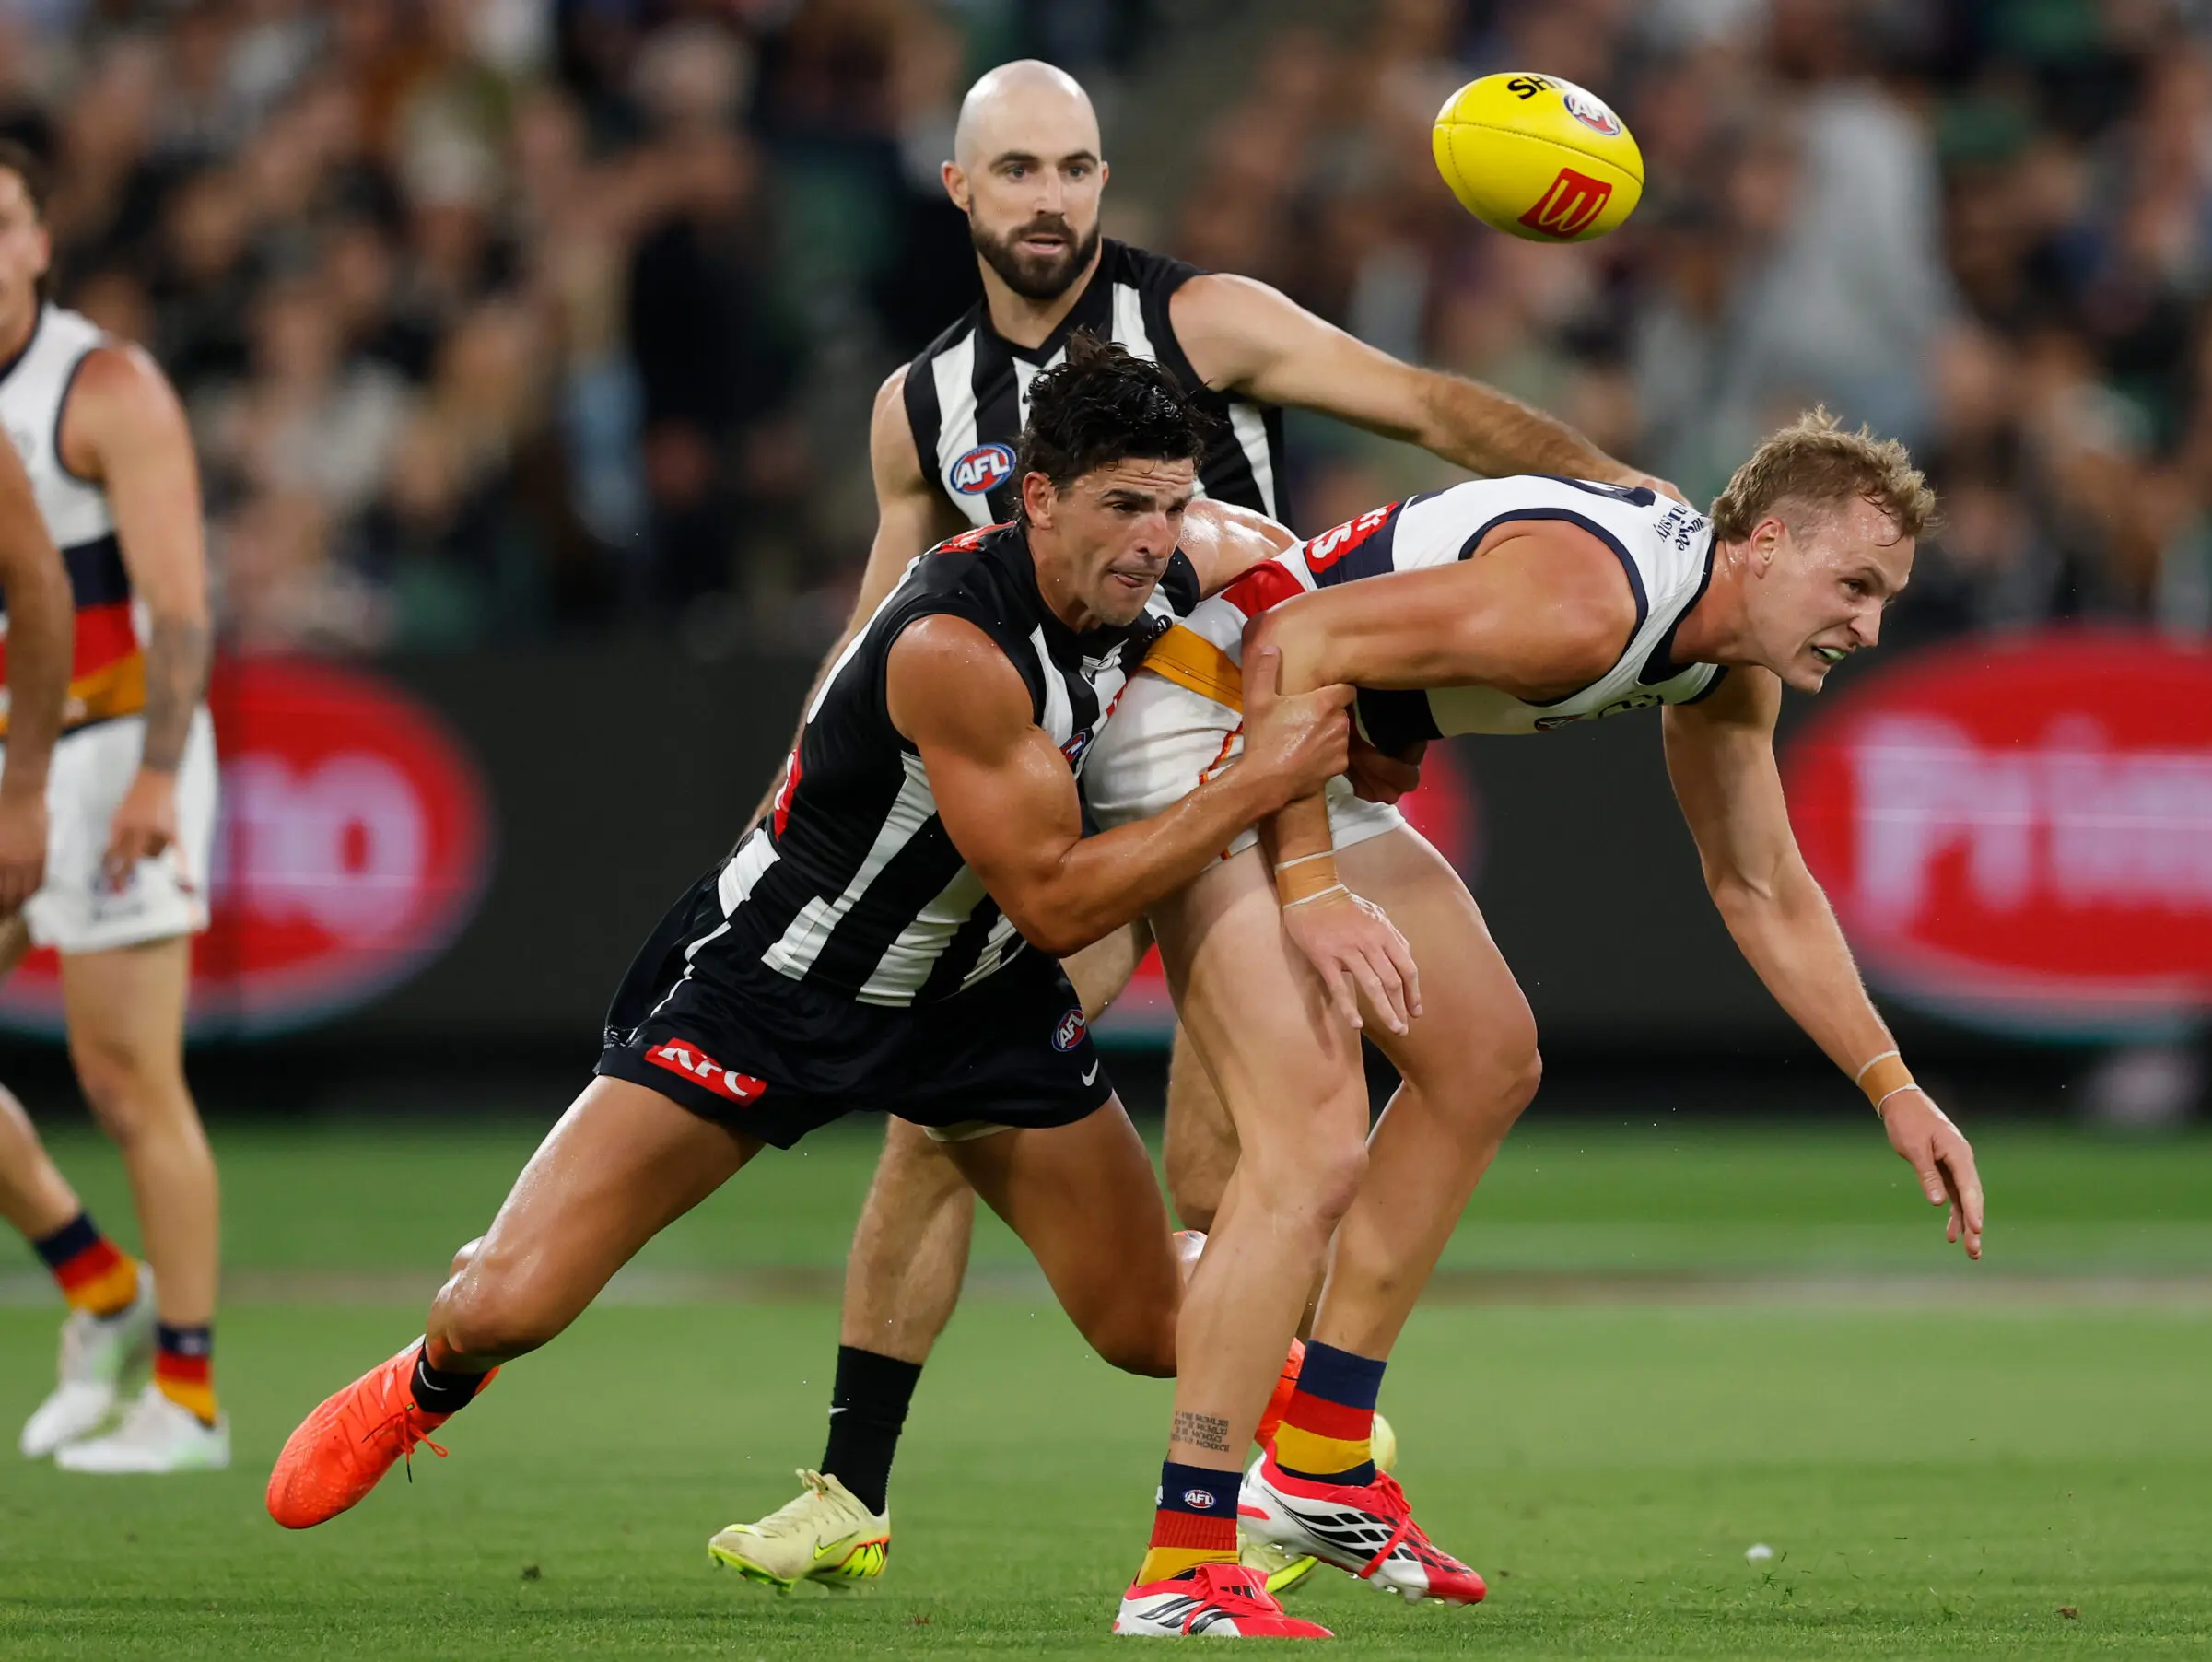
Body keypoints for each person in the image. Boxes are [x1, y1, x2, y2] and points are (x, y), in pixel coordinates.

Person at [708, 56, 1668, 1594]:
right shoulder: (918, 408)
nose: (1051, 198)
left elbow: (1422, 406)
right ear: (961, 190)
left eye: (1077, 169)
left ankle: (1280, 1485)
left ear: (1105, 183)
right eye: (1018, 170)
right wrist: (798, 773)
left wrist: (1624, 493)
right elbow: (884, 619)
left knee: (1242, 1177)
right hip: (1051, 798)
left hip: (1228, 771)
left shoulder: (1200, 318)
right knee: (943, 1112)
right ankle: (854, 1492)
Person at [264, 345, 1359, 1641]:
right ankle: (431, 1379)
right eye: (1125, 506)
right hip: (774, 988)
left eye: (1171, 504)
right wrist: (1249, 784)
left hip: (975, 1002)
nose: (1155, 541)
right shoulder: (954, 644)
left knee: (1151, 1330)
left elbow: (1305, 569)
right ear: (1038, 498)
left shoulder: (1184, 552)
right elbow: (1061, 903)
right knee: (512, 1302)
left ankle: (1325, 1414)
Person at [1074, 410, 1986, 1620]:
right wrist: (1310, 892)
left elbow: (1761, 887)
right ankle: (1183, 1565)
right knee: (1308, 1147)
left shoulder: (1720, 667)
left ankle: (1321, 1463)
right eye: (1854, 583)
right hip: (1199, 720)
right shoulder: (1587, 605)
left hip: (1295, 737)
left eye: (1886, 595)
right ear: (1762, 545)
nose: (1869, 624)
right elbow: (1292, 637)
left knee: (1486, 1059)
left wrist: (1893, 1085)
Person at [0, 142, 226, 1474]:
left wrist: (155, 771)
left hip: (106, 748)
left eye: (3, 221)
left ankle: (187, 1398)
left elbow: (180, 602)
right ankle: (96, 1284)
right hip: (18, 747)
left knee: (127, 1078)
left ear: (38, 241)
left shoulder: (103, 386)